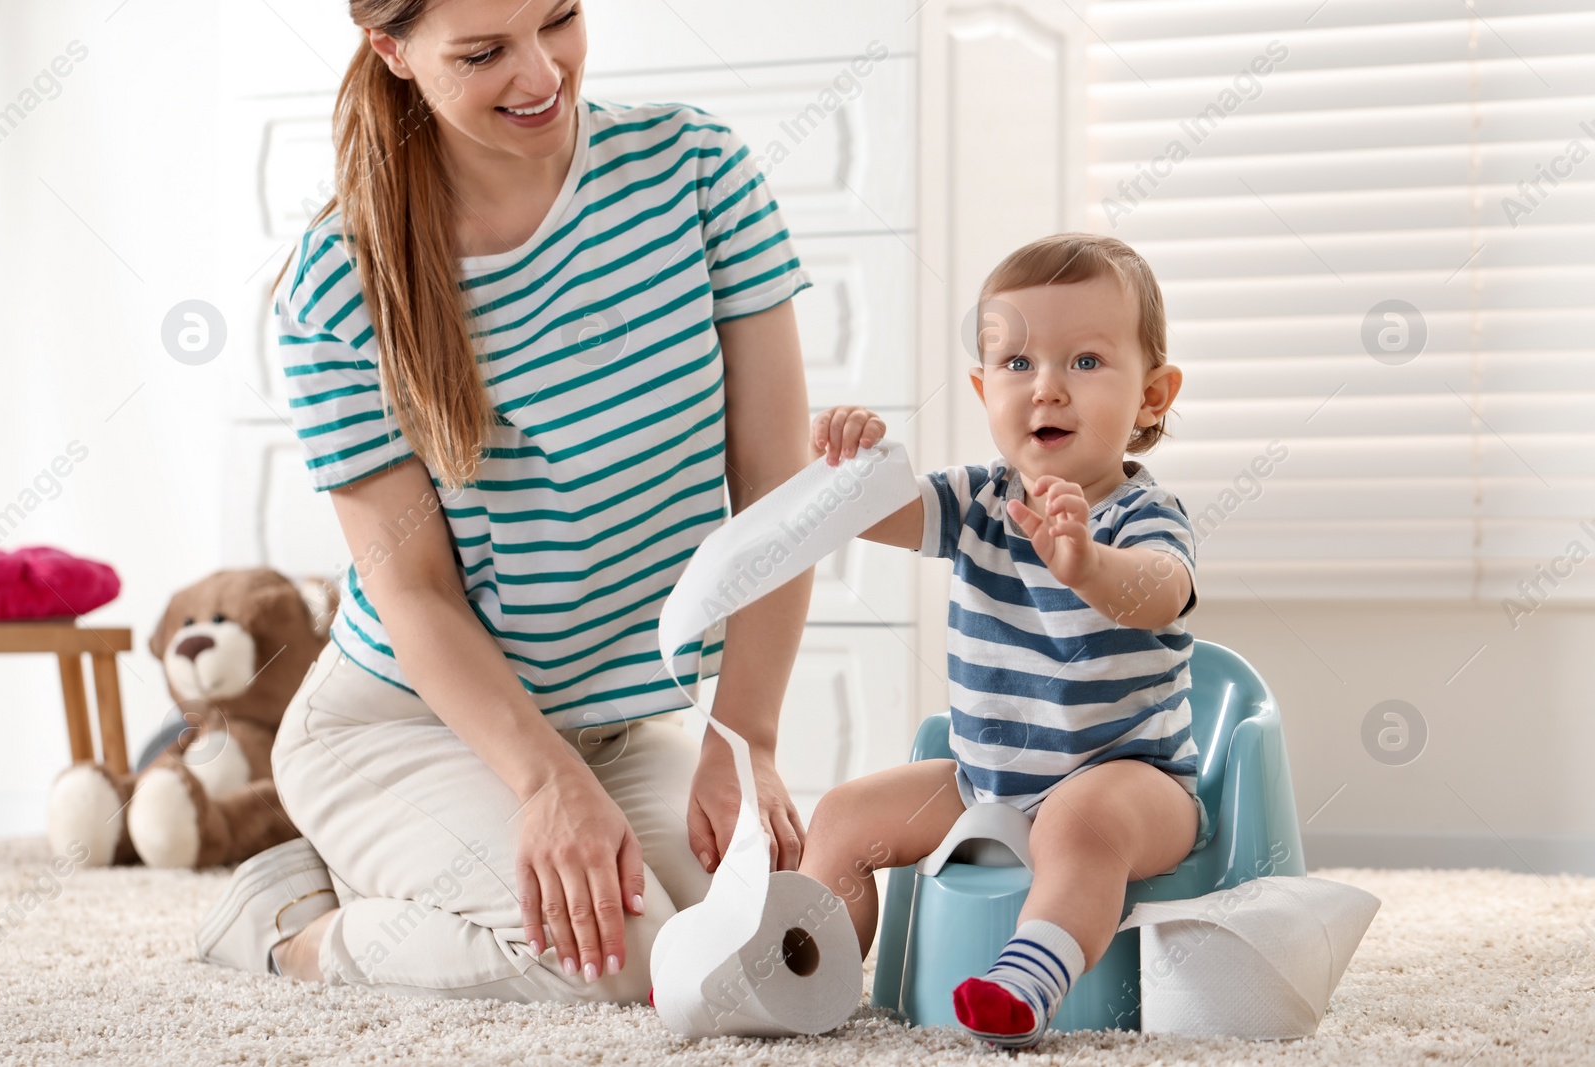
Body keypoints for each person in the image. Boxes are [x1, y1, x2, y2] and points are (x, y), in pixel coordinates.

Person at [194, 0, 815, 1006]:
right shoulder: (337, 284)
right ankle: (291, 927)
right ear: (390, 51)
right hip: (400, 727)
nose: (541, 77)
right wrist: (542, 785)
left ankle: (422, 864)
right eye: (483, 53)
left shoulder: (697, 171)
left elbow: (779, 484)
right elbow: (418, 594)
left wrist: (745, 740)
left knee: (764, 942)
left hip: (607, 724)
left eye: (559, 19)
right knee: (614, 967)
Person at [798, 233, 1210, 1048]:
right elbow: (871, 513)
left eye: (1085, 362)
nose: (1047, 388)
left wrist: (1085, 562)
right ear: (985, 389)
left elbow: (1159, 594)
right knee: (843, 815)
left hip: (1132, 780)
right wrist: (848, 464)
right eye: (1018, 365)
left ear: (1154, 395)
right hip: (987, 777)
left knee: (1076, 825)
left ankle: (1031, 974)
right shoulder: (977, 500)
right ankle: (805, 969)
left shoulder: (1140, 516)